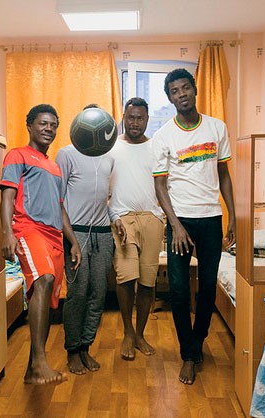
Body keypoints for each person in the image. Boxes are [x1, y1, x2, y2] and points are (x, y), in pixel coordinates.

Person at [152, 68, 236, 385]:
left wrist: (233, 216)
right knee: (177, 289)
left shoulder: (217, 127)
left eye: (185, 87)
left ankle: (197, 341)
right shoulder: (164, 136)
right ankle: (188, 354)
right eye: (175, 91)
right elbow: (160, 186)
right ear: (170, 98)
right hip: (181, 221)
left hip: (211, 218)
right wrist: (176, 226)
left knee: (209, 286)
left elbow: (224, 175)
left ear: (194, 89)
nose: (181, 94)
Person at [0, 103, 82, 385]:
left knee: (47, 299)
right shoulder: (17, 155)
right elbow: (7, 197)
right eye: (43, 123)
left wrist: (73, 241)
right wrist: (7, 233)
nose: (49, 129)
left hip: (54, 236)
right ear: (30, 126)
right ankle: (39, 363)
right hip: (28, 228)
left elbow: (60, 208)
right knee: (44, 279)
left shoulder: (55, 167)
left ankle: (32, 369)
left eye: (53, 125)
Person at [55, 104, 114, 375]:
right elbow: (58, 201)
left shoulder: (109, 156)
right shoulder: (66, 154)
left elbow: (106, 196)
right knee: (78, 293)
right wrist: (72, 241)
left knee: (98, 293)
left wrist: (116, 220)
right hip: (75, 233)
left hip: (103, 233)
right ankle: (72, 350)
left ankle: (85, 347)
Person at [108, 97, 165, 361]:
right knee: (126, 277)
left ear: (147, 120)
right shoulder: (112, 147)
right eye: (130, 117)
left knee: (147, 280)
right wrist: (112, 214)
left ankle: (140, 334)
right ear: (123, 117)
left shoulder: (156, 147)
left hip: (152, 218)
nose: (134, 123)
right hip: (122, 219)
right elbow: (102, 185)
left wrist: (163, 216)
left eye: (140, 118)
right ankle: (128, 333)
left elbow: (165, 184)